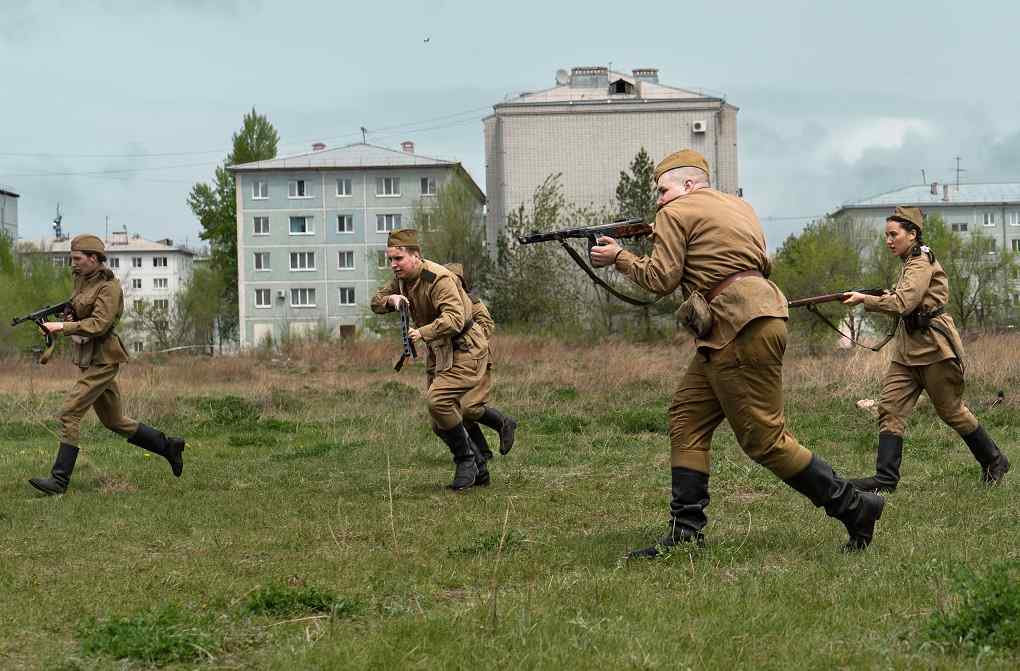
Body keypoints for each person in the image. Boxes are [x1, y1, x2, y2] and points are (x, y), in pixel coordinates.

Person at [590, 149, 884, 556]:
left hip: (737, 327)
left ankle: (855, 507)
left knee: (765, 441)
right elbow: (763, 261)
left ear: (689, 185)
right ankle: (686, 534)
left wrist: (618, 257)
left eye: (662, 189)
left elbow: (660, 278)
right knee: (686, 418)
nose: (659, 199)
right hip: (751, 319)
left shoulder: (677, 212)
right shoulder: (740, 207)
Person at [842, 206, 1009, 492]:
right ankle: (885, 479)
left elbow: (903, 304)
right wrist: (879, 294)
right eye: (886, 235)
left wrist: (864, 300)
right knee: (890, 409)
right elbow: (905, 298)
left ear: (912, 234)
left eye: (894, 234)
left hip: (934, 350)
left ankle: (995, 460)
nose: (888, 240)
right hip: (907, 353)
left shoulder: (920, 261)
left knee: (951, 411)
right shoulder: (908, 261)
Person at [29, 234, 186, 496]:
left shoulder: (109, 287)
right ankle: (169, 447)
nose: (73, 264)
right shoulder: (81, 279)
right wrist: (64, 316)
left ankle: (59, 482)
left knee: (69, 413)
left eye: (78, 259)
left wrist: (62, 326)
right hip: (89, 358)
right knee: (114, 420)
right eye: (72, 259)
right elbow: (82, 311)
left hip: (103, 359)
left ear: (94, 258)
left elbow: (99, 324)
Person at [370, 230, 491, 490]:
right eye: (390, 259)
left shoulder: (438, 278)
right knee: (439, 424)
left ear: (416, 256)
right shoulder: (401, 280)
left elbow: (455, 319)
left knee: (438, 401)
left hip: (465, 348)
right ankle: (479, 467)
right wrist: (391, 300)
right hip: (441, 351)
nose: (393, 264)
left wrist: (422, 333)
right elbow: (375, 302)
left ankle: (467, 461)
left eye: (398, 258)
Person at [444, 262, 517, 464]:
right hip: (453, 363)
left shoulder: (472, 302)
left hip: (477, 359)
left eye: (452, 280)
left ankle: (504, 422)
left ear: (460, 282)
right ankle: (482, 453)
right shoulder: (444, 304)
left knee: (470, 408)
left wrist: (465, 337)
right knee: (457, 411)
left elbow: (487, 327)